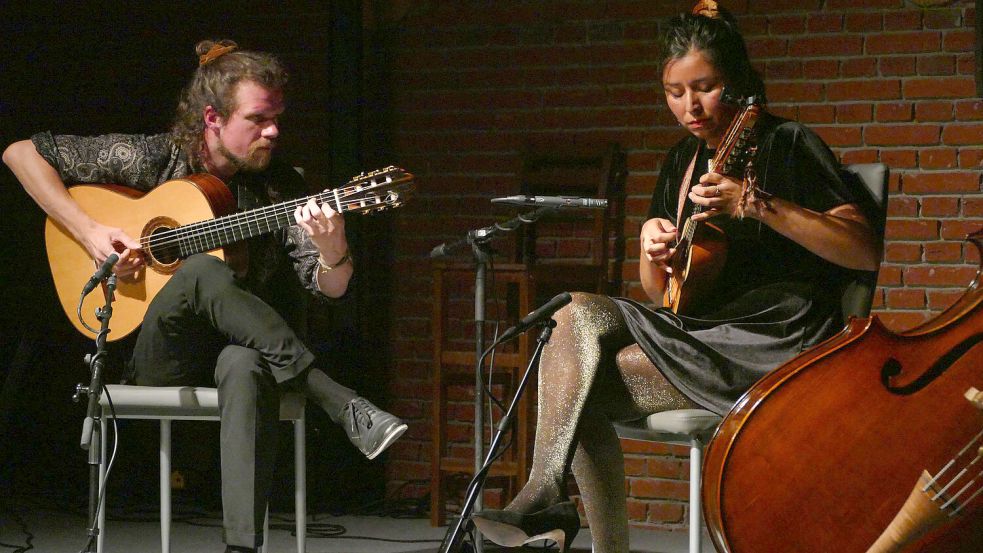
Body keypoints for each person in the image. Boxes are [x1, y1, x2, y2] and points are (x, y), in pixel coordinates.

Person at [470, 2, 881, 553]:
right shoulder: (680, 161)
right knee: (571, 317)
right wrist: (651, 247)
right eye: (674, 92)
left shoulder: (787, 143)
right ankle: (552, 498)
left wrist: (755, 204)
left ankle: (553, 505)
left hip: (774, 341)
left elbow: (861, 250)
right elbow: (660, 293)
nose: (690, 106)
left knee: (578, 384)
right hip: (697, 335)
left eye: (704, 87)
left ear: (734, 83)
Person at [3, 40, 407, 553]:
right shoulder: (155, 156)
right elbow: (21, 152)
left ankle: (241, 546)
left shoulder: (282, 189)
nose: (274, 131)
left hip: (235, 353)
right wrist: (88, 232)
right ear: (213, 118)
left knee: (245, 364)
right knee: (198, 270)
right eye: (258, 119)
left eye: (277, 118)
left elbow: (330, 287)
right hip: (152, 353)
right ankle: (335, 397)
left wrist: (335, 249)